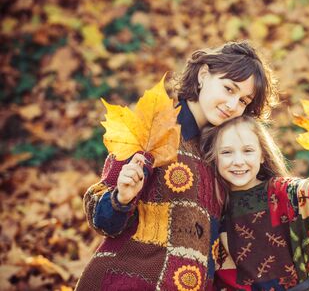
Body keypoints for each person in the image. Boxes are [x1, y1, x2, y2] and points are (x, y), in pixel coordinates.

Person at [75, 41, 279, 291]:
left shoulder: (224, 158)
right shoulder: (155, 130)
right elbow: (101, 218)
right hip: (128, 282)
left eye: (243, 101)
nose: (232, 104)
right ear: (204, 75)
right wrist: (121, 198)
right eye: (228, 89)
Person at [200, 116, 309, 291]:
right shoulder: (212, 206)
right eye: (227, 152)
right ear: (214, 157)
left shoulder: (283, 194)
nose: (238, 161)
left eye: (248, 150)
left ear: (262, 155)